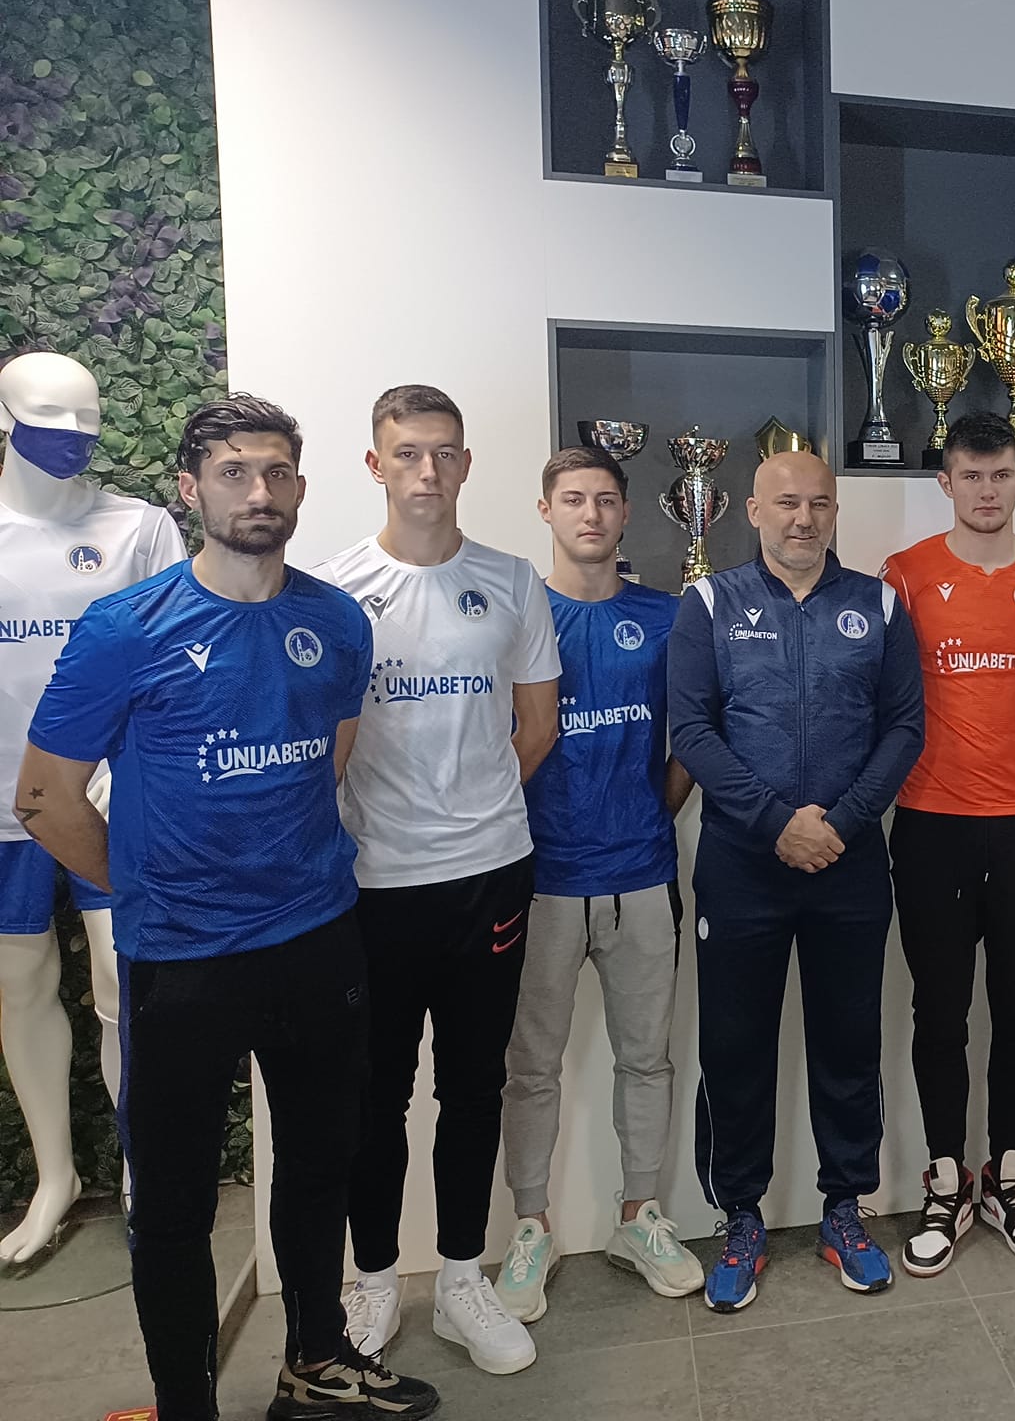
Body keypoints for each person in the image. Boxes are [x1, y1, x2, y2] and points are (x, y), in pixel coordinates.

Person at [15, 397, 437, 1421]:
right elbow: (43, 798)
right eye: (236, 471)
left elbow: (327, 762)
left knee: (321, 1166)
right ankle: (186, 1406)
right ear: (190, 488)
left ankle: (315, 1362)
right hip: (181, 962)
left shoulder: (335, 621)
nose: (260, 491)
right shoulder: (126, 627)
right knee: (172, 1206)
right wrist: (150, 888)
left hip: (317, 942)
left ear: (301, 486)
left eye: (278, 472)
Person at [319, 386, 562, 1376]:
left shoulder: (510, 581)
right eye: (408, 452)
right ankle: (375, 1280)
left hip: (489, 876)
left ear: (465, 464)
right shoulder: (333, 590)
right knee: (374, 1095)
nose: (428, 470)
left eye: (445, 453)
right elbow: (325, 747)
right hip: (373, 884)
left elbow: (535, 728)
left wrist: (474, 809)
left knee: (473, 1086)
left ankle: (463, 1278)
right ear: (375, 465)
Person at [668, 450, 922, 1313]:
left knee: (848, 1043)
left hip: (850, 866)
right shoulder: (709, 604)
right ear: (752, 510)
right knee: (735, 1046)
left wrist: (839, 823)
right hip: (742, 866)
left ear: (835, 511)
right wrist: (777, 822)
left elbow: (904, 728)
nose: (803, 519)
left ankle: (844, 1209)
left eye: (819, 503)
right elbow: (692, 731)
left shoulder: (879, 606)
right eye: (786, 503)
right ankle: (740, 1216)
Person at [494, 447, 699, 1323]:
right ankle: (530, 1227)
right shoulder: (515, 614)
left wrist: (656, 809)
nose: (591, 514)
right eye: (573, 499)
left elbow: (694, 732)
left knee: (647, 1058)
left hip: (642, 876)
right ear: (546, 511)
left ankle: (637, 1217)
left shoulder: (665, 616)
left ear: (625, 514)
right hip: (539, 880)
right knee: (530, 1066)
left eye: (606, 500)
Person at [880, 411, 1015, 1277]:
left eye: (1000, 476)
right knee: (939, 1011)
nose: (987, 491)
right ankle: (944, 1178)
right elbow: (882, 701)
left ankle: (1009, 1174)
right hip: (932, 825)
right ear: (946, 482)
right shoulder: (904, 575)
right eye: (971, 476)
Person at [0, 351, 183, 1266]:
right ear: (6, 420)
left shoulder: (138, 528)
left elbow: (179, 653)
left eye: (87, 420)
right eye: (49, 420)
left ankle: (146, 1168)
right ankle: (55, 1177)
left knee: (123, 986)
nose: (73, 439)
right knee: (19, 985)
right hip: (4, 802)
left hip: (109, 795)